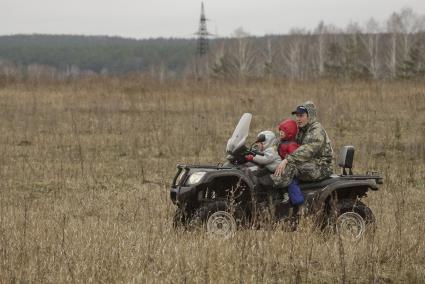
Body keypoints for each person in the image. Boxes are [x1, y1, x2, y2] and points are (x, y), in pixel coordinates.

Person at [274, 101, 333, 188]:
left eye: (301, 116)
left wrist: (287, 160)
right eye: (297, 116)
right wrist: (269, 145)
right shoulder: (302, 129)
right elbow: (287, 139)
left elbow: (307, 150)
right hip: (309, 161)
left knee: (290, 166)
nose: (298, 119)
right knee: (277, 163)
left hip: (322, 166)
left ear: (310, 116)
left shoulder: (316, 130)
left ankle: (274, 192)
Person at [277, 119, 304, 206]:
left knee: (291, 182)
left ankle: (298, 201)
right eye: (280, 131)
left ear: (290, 133)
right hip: (283, 164)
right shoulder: (281, 142)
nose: (281, 133)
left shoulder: (292, 144)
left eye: (283, 132)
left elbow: (294, 156)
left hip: (292, 167)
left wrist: (286, 162)